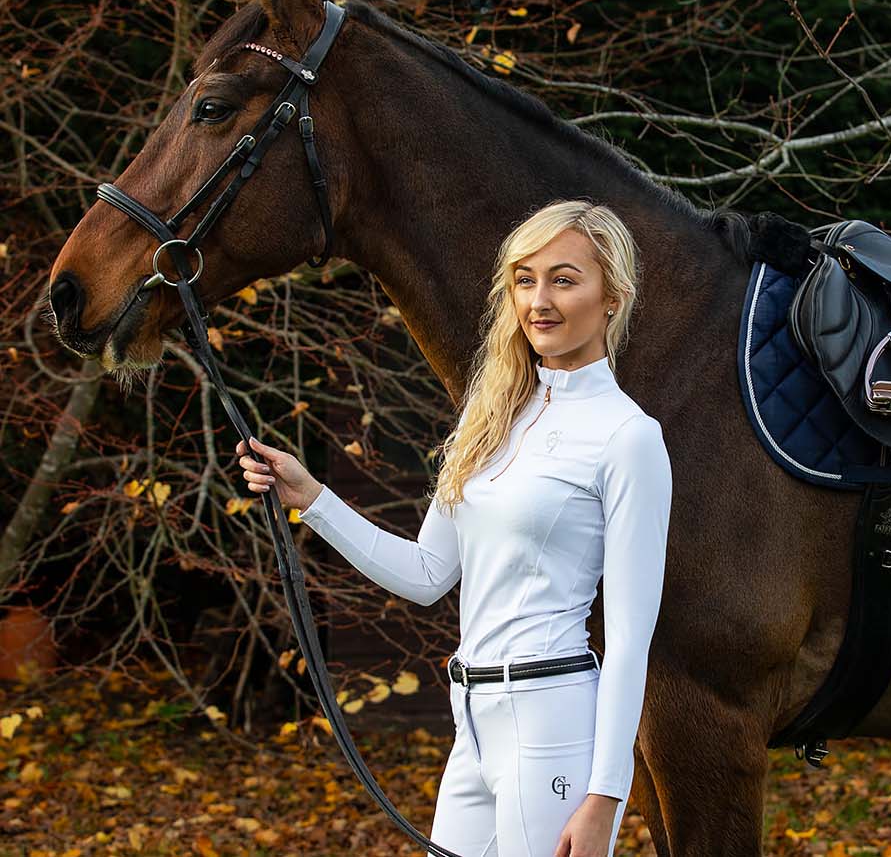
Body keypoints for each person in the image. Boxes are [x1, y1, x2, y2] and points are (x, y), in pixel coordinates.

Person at [234, 200, 672, 857]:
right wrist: (312, 498)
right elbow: (426, 573)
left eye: (563, 279)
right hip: (471, 716)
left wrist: (606, 793)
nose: (539, 301)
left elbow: (633, 640)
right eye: (524, 280)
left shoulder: (629, 437)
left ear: (613, 296)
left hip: (551, 721)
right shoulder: (487, 417)